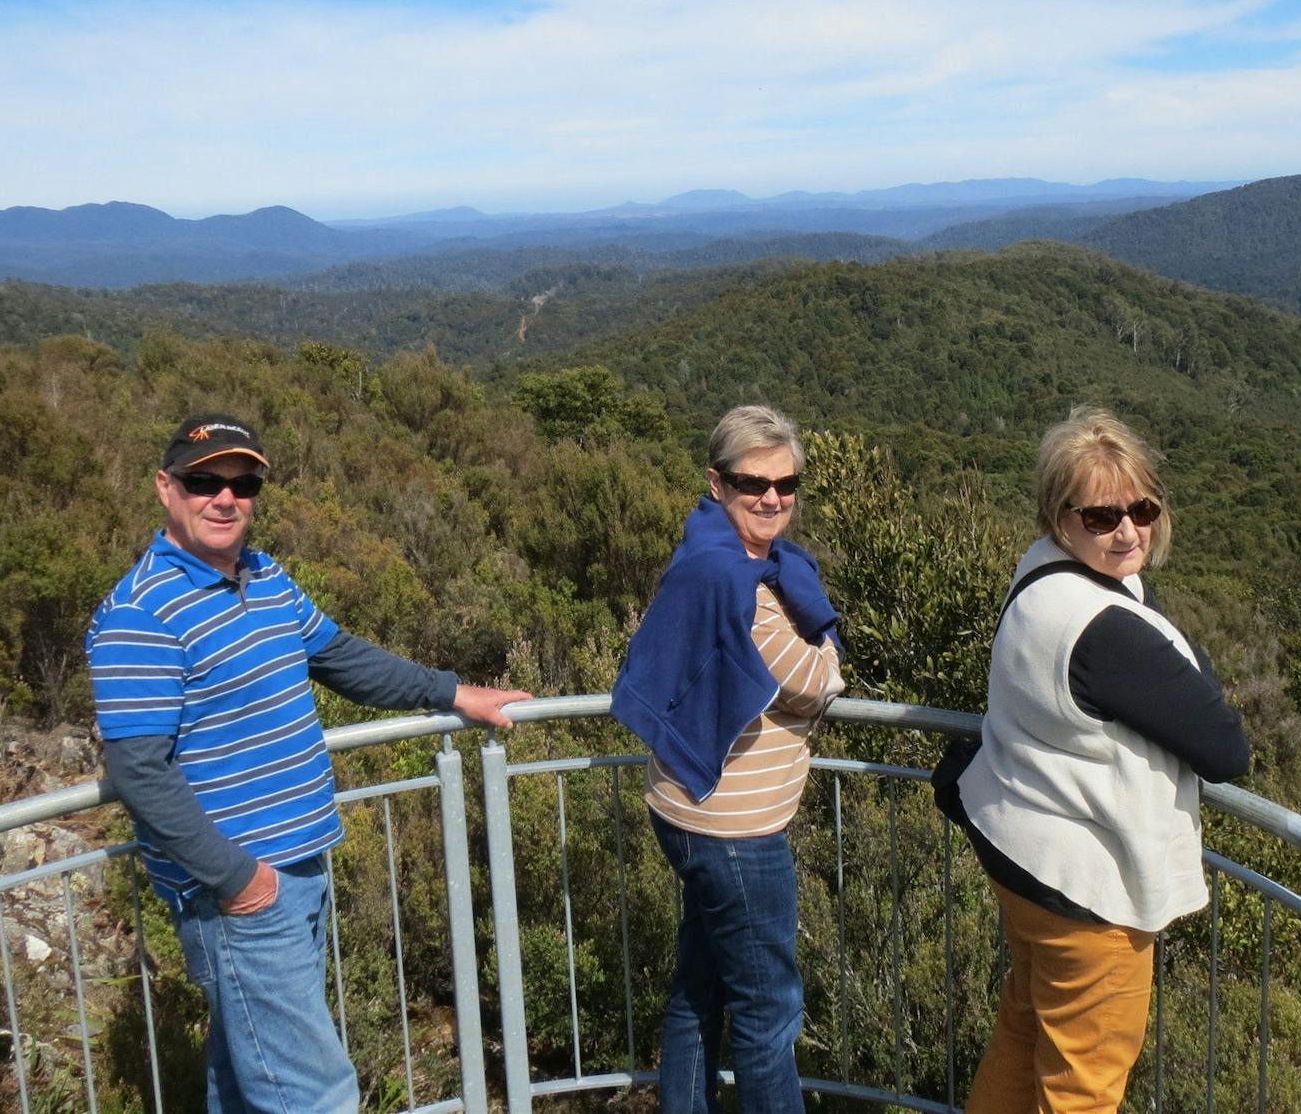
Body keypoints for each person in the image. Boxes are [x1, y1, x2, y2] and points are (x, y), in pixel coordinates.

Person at [85, 413, 531, 1114]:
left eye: (243, 484)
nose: (225, 498)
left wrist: (450, 692)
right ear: (165, 488)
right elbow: (140, 770)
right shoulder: (139, 613)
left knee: (245, 1079)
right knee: (316, 1095)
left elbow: (339, 657)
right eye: (203, 481)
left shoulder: (264, 576)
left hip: (296, 869)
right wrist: (239, 881)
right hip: (238, 892)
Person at [936, 405, 1249, 1112]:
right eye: (1102, 518)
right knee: (1083, 1089)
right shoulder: (1107, 631)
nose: (1128, 532)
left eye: (1143, 510)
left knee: (1024, 1033)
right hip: (1089, 896)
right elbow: (1226, 748)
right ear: (1060, 517)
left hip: (1024, 862)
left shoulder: (1041, 573)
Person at [610, 404, 846, 1114]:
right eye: (753, 483)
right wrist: (825, 657)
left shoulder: (712, 555)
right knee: (769, 1013)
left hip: (684, 808)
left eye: (786, 483)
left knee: (699, 990)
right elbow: (815, 680)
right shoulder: (744, 588)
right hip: (735, 831)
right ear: (717, 483)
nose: (772, 498)